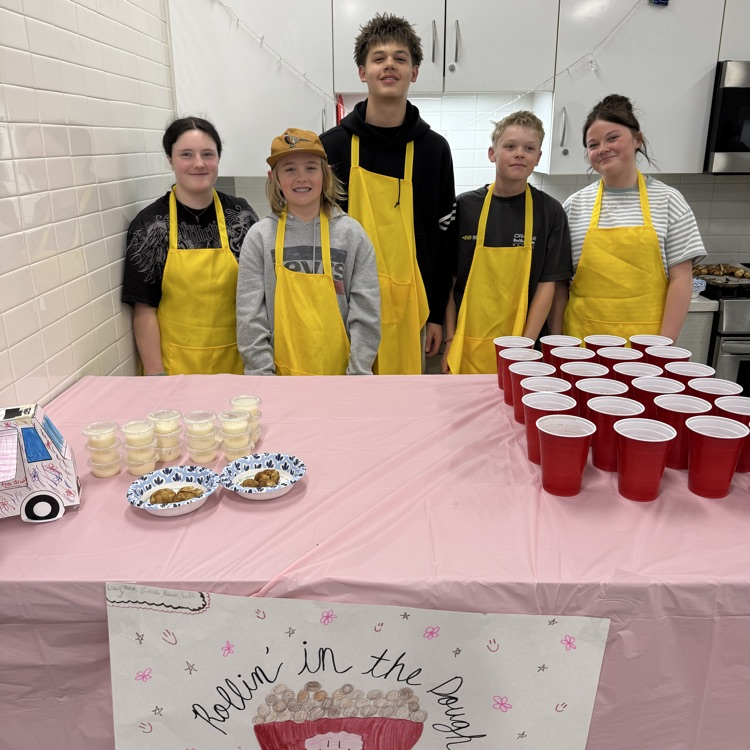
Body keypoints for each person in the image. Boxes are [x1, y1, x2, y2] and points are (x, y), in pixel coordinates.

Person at [320, 13, 457, 375]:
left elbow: (443, 245)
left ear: (414, 71)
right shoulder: (330, 148)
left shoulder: (434, 151)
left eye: (400, 58)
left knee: (401, 415)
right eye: (378, 58)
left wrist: (438, 315)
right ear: (363, 72)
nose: (389, 66)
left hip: (411, 313)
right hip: (339, 310)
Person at [560, 94, 706, 342]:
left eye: (613, 138)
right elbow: (561, 282)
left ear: (637, 139)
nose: (603, 149)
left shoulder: (669, 201)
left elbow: (682, 278)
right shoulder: (575, 205)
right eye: (593, 144)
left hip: (647, 346)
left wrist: (663, 347)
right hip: (581, 344)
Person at [236, 128, 380, 376]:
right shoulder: (259, 238)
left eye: (311, 168)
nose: (301, 177)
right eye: (290, 169)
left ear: (326, 174)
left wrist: (357, 374)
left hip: (344, 380)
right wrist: (263, 375)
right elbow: (250, 316)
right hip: (276, 380)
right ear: (274, 178)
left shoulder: (352, 235)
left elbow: (366, 312)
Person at [122, 116, 258, 375]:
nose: (199, 164)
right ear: (170, 160)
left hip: (238, 366)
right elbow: (144, 311)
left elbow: (260, 294)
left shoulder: (241, 216)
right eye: (186, 154)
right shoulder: (151, 225)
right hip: (175, 370)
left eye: (208, 154)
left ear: (218, 158)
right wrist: (157, 377)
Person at [442, 111, 572, 374]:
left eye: (529, 148)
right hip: (465, 344)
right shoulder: (465, 206)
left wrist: (523, 348)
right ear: (492, 153)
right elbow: (451, 280)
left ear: (538, 158)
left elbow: (548, 287)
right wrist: (450, 339)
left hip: (525, 348)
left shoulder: (550, 212)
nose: (519, 153)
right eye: (510, 146)